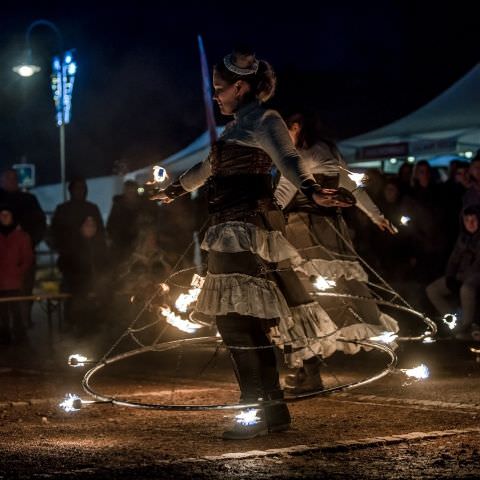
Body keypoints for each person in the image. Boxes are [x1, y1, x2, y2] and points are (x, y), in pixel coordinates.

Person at [152, 48, 349, 440]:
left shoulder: (265, 119)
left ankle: (258, 411)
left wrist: (311, 189)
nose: (216, 96)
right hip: (229, 227)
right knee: (243, 323)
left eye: (220, 89)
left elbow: (290, 159)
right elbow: (208, 168)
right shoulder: (235, 128)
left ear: (240, 87)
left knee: (236, 323)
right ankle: (271, 411)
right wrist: (176, 188)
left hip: (246, 227)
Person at [274, 112, 399, 392]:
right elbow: (351, 185)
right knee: (323, 298)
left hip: (304, 232)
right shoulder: (329, 151)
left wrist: (257, 220)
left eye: (286, 129)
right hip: (331, 232)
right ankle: (306, 369)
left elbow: (282, 195)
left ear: (296, 128)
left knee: (303, 299)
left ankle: (309, 371)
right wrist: (377, 216)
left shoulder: (300, 154)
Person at [0, 169, 46, 327]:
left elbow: (40, 224)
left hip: (24, 254)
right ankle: (4, 328)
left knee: (24, 291)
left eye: (14, 178)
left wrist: (29, 243)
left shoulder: (29, 200)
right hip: (2, 258)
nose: (11, 181)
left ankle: (23, 324)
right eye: (8, 178)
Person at [426, 205, 480, 340]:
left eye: (474, 219)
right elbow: (453, 259)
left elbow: (477, 264)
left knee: (466, 289)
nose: (470, 223)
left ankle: (467, 326)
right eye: (467, 220)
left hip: (474, 276)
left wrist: (461, 278)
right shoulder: (463, 237)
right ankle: (455, 323)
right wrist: (450, 276)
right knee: (432, 290)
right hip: (460, 275)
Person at [0, 205, 34, 344]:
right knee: (3, 313)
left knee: (17, 311)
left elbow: (27, 258)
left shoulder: (21, 236)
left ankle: (20, 337)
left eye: (7, 215)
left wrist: (18, 271)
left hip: (15, 282)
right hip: (1, 282)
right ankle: (5, 337)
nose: (4, 218)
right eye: (1, 215)